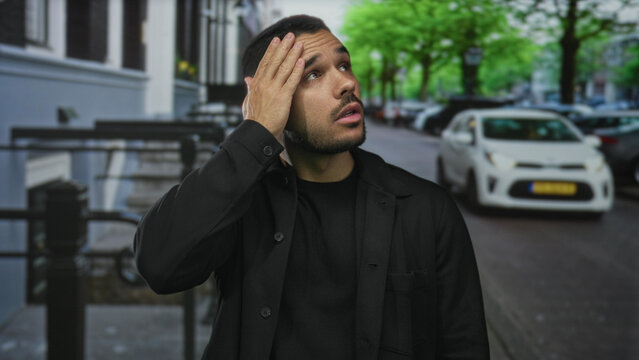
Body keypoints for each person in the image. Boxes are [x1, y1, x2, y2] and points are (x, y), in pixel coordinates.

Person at [134, 15, 489, 360]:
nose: (346, 83)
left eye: (345, 65)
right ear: (272, 98)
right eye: (313, 74)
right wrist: (254, 132)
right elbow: (160, 265)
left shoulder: (426, 208)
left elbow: (464, 344)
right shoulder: (242, 199)